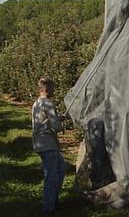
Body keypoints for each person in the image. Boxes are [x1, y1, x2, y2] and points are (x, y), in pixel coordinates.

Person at [32, 77, 65, 216]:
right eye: (53, 88)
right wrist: (61, 125)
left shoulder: (37, 103)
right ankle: (48, 209)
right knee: (51, 175)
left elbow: (46, 120)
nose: (54, 91)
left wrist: (59, 118)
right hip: (48, 144)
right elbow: (55, 127)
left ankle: (53, 201)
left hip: (41, 142)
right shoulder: (49, 103)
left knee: (61, 169)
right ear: (46, 90)